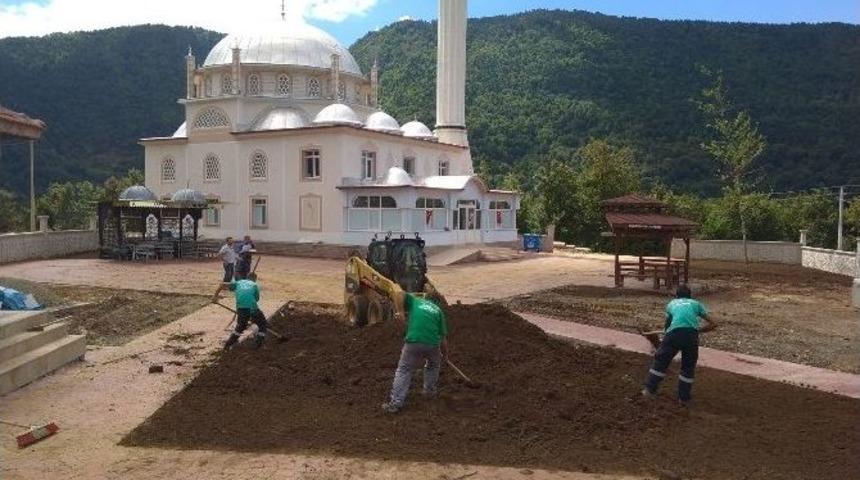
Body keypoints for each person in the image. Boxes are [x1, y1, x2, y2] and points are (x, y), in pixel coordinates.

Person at [642, 285, 717, 406]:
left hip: (674, 334)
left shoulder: (672, 304)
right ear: (690, 296)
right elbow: (714, 324)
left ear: (676, 296)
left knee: (661, 361)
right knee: (688, 367)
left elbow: (667, 326)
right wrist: (697, 330)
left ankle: (649, 390)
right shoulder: (695, 304)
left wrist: (667, 335)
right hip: (691, 337)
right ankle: (684, 399)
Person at [382, 292, 448, 413]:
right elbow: (443, 339)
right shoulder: (439, 311)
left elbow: (398, 294)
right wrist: (445, 355)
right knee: (433, 365)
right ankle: (429, 393)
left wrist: (400, 311)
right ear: (438, 302)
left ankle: (395, 403)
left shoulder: (416, 301)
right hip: (432, 343)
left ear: (426, 297)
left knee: (404, 369)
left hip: (414, 340)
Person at [212, 272, 268, 350]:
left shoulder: (238, 283)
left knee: (241, 326)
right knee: (263, 325)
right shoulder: (254, 285)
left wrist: (215, 296)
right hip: (252, 308)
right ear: (255, 279)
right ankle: (257, 346)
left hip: (241, 308)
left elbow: (222, 284)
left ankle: (228, 345)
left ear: (246, 277)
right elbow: (256, 299)